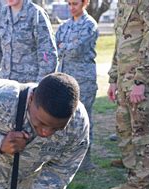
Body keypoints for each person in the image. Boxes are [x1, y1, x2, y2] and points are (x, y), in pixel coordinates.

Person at [106, 0, 149, 189]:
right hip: (124, 80)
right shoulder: (123, 2)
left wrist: (141, 80)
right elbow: (120, 42)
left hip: (142, 82)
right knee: (125, 131)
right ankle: (134, 181)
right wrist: (113, 78)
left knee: (144, 136)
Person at [55, 0, 98, 171]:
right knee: (64, 118)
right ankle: (66, 157)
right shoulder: (64, 26)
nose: (72, 8)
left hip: (83, 80)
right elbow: (53, 46)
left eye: (76, 4)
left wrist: (63, 46)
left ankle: (84, 161)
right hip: (65, 78)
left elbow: (76, 49)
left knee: (84, 119)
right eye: (70, 4)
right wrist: (64, 46)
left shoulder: (89, 25)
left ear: (85, 3)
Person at [0, 0, 58, 83]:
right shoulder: (3, 13)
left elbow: (47, 54)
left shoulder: (36, 13)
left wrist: (39, 86)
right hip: (6, 85)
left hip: (29, 85)